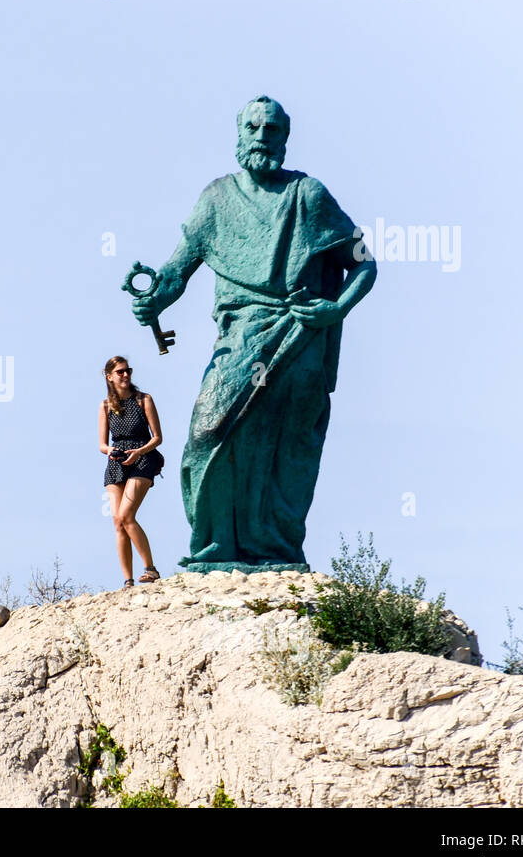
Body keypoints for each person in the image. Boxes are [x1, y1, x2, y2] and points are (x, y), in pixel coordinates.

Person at [132, 96, 376, 571]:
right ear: (239, 134)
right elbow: (177, 271)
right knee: (207, 434)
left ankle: (276, 551)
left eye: (273, 130)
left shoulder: (309, 196)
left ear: (286, 138)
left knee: (286, 444)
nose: (263, 137)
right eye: (254, 128)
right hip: (240, 338)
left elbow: (365, 263)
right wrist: (154, 299)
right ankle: (215, 547)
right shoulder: (217, 199)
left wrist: (337, 309)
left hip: (299, 335)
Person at [99, 356, 164, 588]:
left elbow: (157, 437)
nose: (125, 375)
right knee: (117, 522)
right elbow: (101, 444)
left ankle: (150, 569)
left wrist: (138, 452)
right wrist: (110, 451)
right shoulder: (105, 406)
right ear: (110, 377)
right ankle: (128, 580)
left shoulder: (143, 399)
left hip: (143, 458)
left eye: (128, 371)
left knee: (127, 515)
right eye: (120, 372)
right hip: (116, 461)